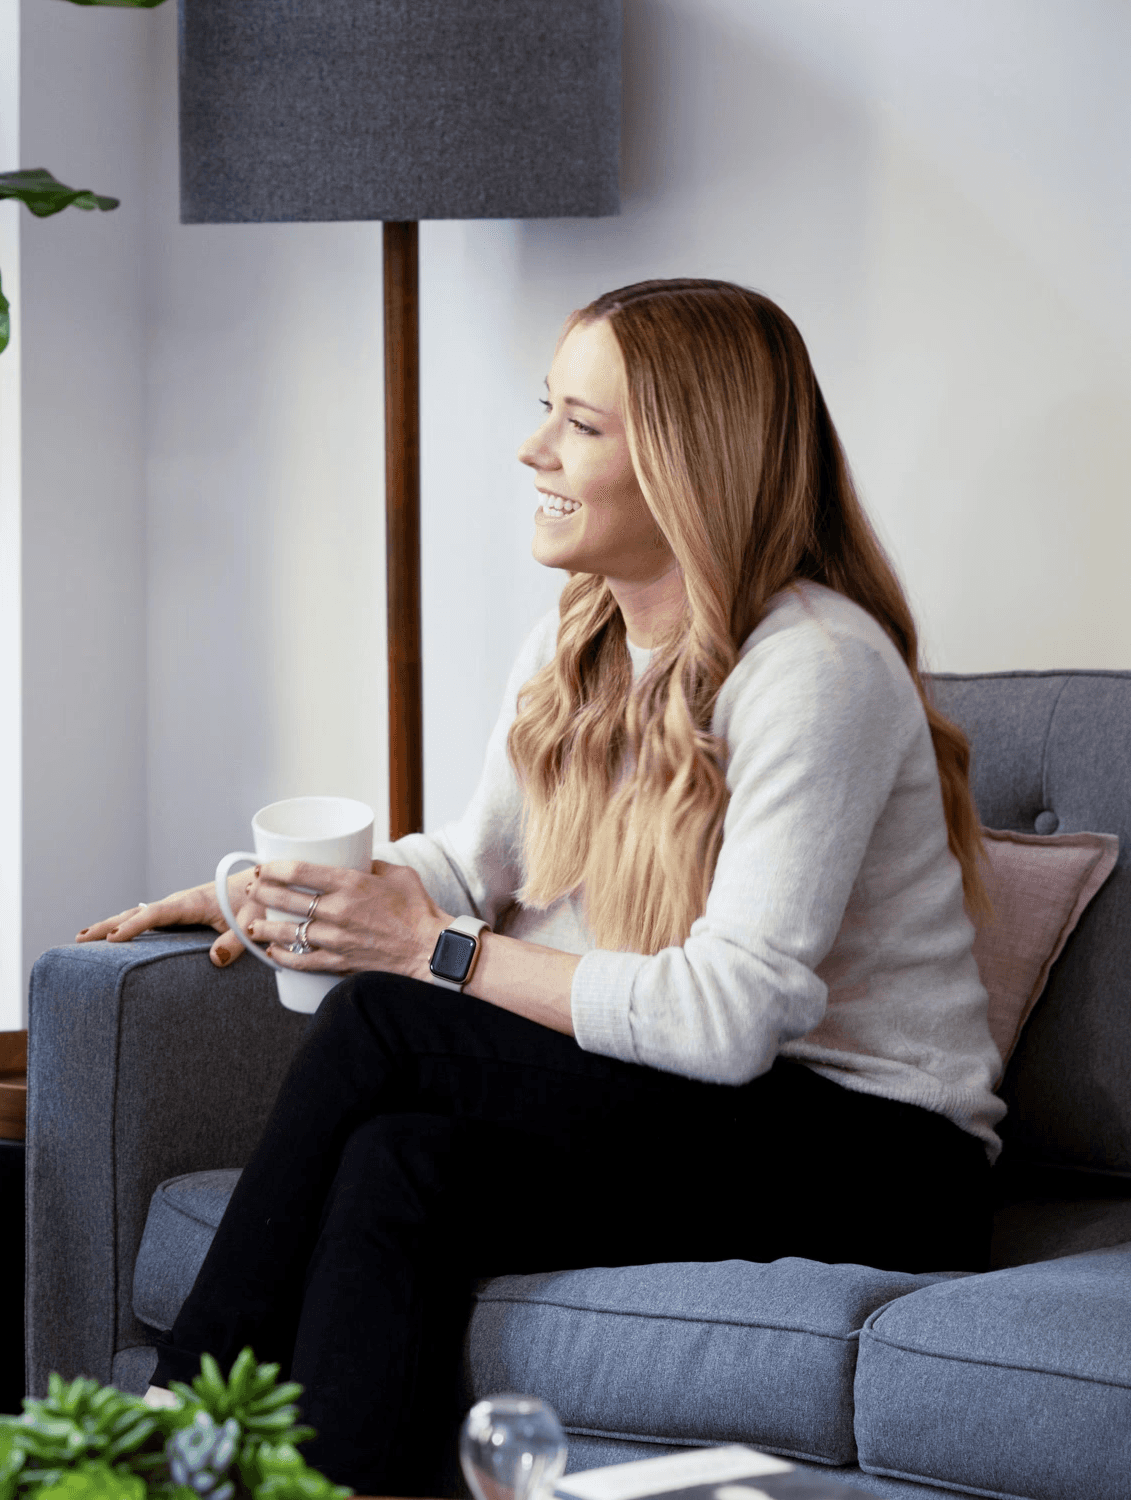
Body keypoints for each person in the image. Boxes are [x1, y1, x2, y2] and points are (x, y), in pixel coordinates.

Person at [78, 278, 1005, 1496]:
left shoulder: (817, 668)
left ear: (691, 460)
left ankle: (170, 1429)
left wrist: (429, 950)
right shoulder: (581, 642)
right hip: (703, 1116)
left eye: (581, 422)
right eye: (545, 409)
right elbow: (470, 865)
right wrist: (289, 896)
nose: (532, 448)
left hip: (880, 1156)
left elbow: (728, 1019)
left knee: (385, 1016)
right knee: (397, 1161)